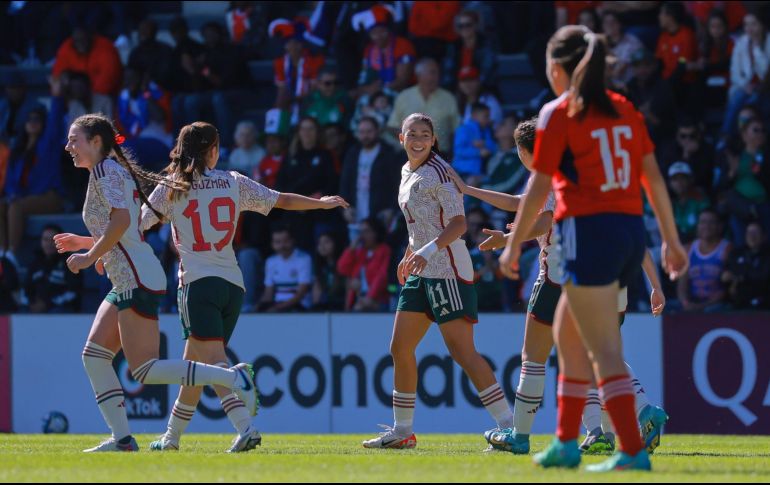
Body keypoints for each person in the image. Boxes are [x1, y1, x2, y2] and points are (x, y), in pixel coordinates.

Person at [499, 26, 687, 471]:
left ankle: (630, 451)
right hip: (627, 233)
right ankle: (566, 442)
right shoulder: (625, 110)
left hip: (587, 233)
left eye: (549, 64)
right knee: (570, 338)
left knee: (597, 349)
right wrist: (672, 241)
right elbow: (653, 179)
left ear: (560, 70)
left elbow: (539, 186)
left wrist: (511, 248)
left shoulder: (558, 113)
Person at [449, 117, 668, 456]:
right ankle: (619, 422)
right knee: (595, 355)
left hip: (560, 278)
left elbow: (539, 217)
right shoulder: (590, 174)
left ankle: (521, 435)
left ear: (524, 152)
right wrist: (655, 285)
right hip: (611, 279)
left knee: (535, 358)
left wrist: (509, 241)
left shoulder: (548, 176)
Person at [54, 114, 259, 453]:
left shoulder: (105, 172)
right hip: (130, 274)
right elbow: (127, 228)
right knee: (94, 356)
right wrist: (87, 245)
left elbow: (121, 221)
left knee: (145, 370)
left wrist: (91, 257)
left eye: (74, 139)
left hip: (136, 276)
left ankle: (233, 378)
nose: (68, 146)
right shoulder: (105, 172)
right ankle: (122, 440)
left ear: (95, 142)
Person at [139, 121, 348, 452]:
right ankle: (171, 437)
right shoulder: (233, 181)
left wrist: (96, 245)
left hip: (198, 285)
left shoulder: (171, 187)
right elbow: (281, 201)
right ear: (212, 150)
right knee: (196, 364)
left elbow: (137, 224)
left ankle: (245, 424)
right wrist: (321, 203)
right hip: (232, 285)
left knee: (215, 366)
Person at [362, 112, 513, 449]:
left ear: (434, 141)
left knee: (463, 352)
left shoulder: (441, 172)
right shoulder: (406, 171)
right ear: (400, 138)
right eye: (411, 133)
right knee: (399, 348)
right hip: (422, 267)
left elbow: (459, 224)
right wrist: (409, 253)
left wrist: (426, 251)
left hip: (447, 268)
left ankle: (509, 425)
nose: (418, 140)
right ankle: (403, 432)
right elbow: (420, 224)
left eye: (424, 135)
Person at [0, 80, 67, 265]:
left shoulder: (48, 144)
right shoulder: (18, 150)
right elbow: (12, 181)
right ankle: (2, 252)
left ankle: (12, 254)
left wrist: (57, 96)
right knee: (4, 204)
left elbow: (55, 122)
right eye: (29, 119)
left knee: (16, 207)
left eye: (37, 119)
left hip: (50, 197)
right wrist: (12, 195)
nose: (33, 123)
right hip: (26, 197)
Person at [340, 116, 402, 231]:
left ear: (377, 131)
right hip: (356, 214)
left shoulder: (388, 153)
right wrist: (345, 207)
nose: (365, 136)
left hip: (380, 215)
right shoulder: (352, 153)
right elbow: (345, 183)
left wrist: (392, 209)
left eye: (369, 131)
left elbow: (398, 184)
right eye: (362, 132)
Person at [388, 58, 460, 155]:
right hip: (408, 155)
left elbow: (457, 130)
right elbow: (392, 126)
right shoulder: (404, 96)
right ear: (419, 75)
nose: (436, 77)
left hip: (439, 155)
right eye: (432, 72)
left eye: (437, 73)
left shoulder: (448, 98)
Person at [721, 13, 770, 139]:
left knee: (754, 101)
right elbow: (734, 72)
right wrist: (744, 85)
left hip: (765, 88)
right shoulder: (741, 43)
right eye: (746, 24)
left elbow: (765, 71)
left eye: (753, 24)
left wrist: (757, 48)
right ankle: (726, 136)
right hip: (745, 87)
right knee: (739, 97)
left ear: (762, 25)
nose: (749, 28)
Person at [354, 5, 416, 98]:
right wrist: (367, 89)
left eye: (382, 31)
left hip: (402, 95)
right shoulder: (369, 50)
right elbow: (363, 79)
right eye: (374, 33)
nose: (379, 36)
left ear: (389, 30)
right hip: (376, 97)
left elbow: (403, 80)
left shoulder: (403, 45)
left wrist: (381, 89)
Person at [677, 208, 731, 313]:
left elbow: (726, 290)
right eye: (703, 222)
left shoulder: (726, 249)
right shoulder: (688, 249)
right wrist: (685, 303)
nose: (706, 226)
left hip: (716, 304)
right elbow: (682, 284)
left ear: (719, 226)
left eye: (711, 222)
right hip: (693, 301)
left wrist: (702, 306)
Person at [337, 217, 392, 311]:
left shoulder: (384, 250)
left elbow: (382, 276)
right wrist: (351, 249)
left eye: (367, 231)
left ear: (376, 232)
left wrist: (369, 297)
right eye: (361, 231)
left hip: (378, 300)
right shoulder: (359, 252)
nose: (363, 235)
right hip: (358, 300)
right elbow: (342, 269)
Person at [52, 26, 123, 97]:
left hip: (103, 96)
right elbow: (57, 77)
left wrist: (88, 96)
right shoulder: (67, 48)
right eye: (77, 41)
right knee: (58, 97)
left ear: (91, 37)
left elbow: (108, 81)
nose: (80, 43)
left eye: (83, 40)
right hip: (76, 96)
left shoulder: (105, 48)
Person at [25, 224, 80, 313]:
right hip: (35, 308)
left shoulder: (71, 262)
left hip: (61, 308)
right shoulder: (35, 263)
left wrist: (48, 304)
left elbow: (74, 293)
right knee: (22, 311)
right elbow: (26, 290)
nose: (49, 244)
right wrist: (32, 303)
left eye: (53, 240)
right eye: (45, 240)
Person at [259, 225, 314, 312]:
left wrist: (278, 308)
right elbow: (268, 292)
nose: (282, 246)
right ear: (272, 244)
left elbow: (301, 293)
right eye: (277, 242)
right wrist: (258, 308)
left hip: (300, 307)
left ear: (293, 240)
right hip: (277, 306)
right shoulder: (270, 261)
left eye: (285, 241)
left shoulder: (304, 258)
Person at [442, 10, 497, 90]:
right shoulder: (453, 47)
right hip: (459, 89)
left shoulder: (486, 44)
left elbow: (487, 72)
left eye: (468, 25)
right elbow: (448, 73)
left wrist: (473, 86)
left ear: (476, 25)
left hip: (482, 89)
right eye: (461, 26)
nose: (464, 28)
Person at [722, 221, 770, 310]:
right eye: (749, 233)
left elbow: (763, 277)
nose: (752, 236)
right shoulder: (736, 253)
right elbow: (726, 275)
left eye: (756, 233)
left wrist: (739, 277)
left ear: (764, 236)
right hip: (737, 303)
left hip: (763, 303)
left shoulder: (767, 255)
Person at [453, 102, 496, 182]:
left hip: (479, 172)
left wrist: (484, 143)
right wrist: (478, 152)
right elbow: (459, 151)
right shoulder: (463, 130)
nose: (488, 120)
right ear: (474, 116)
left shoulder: (486, 130)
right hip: (462, 171)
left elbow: (493, 147)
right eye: (486, 116)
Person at [668, 162, 710, 243]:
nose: (679, 182)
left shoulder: (700, 201)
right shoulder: (672, 205)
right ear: (670, 184)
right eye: (675, 179)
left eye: (683, 178)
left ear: (690, 180)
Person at [602, 11, 644, 91]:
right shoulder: (602, 44)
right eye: (606, 22)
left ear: (620, 24)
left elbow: (617, 73)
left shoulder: (631, 42)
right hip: (611, 87)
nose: (609, 25)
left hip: (632, 87)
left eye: (613, 22)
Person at [312, 232, 345, 311]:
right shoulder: (319, 266)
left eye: (327, 242)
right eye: (319, 243)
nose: (322, 246)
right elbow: (316, 294)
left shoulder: (344, 263)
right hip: (325, 306)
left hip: (340, 305)